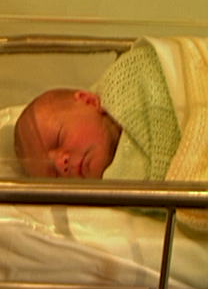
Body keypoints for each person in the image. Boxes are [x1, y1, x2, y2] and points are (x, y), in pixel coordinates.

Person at [14, 39, 182, 182]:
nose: (60, 164)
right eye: (54, 174)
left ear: (89, 101)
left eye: (59, 139)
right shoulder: (120, 193)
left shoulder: (127, 83)